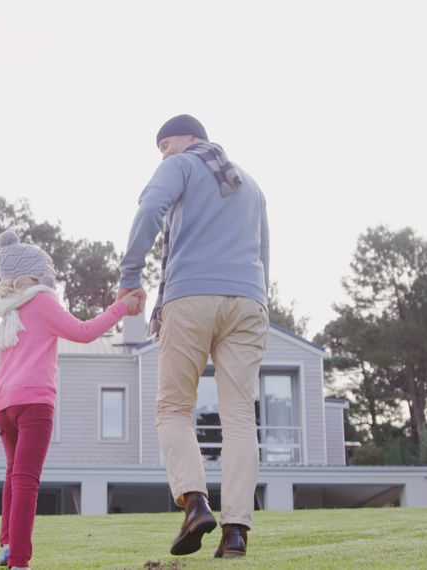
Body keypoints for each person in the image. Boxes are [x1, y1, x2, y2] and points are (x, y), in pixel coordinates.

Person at [118, 114, 270, 559]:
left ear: (186, 139)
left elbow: (149, 210)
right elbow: (264, 253)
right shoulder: (251, 184)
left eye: (165, 145)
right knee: (240, 416)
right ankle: (237, 530)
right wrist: (258, 300)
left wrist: (130, 275)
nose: (163, 154)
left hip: (191, 296)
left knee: (172, 408)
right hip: (249, 302)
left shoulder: (181, 164)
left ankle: (195, 501)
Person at [0, 230, 142, 570]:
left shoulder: (3, 308)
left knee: (13, 474)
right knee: (26, 478)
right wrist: (122, 307)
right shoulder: (41, 300)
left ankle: (9, 546)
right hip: (34, 402)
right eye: (48, 269)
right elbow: (83, 333)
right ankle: (19, 561)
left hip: (2, 403)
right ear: (34, 271)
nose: (52, 276)